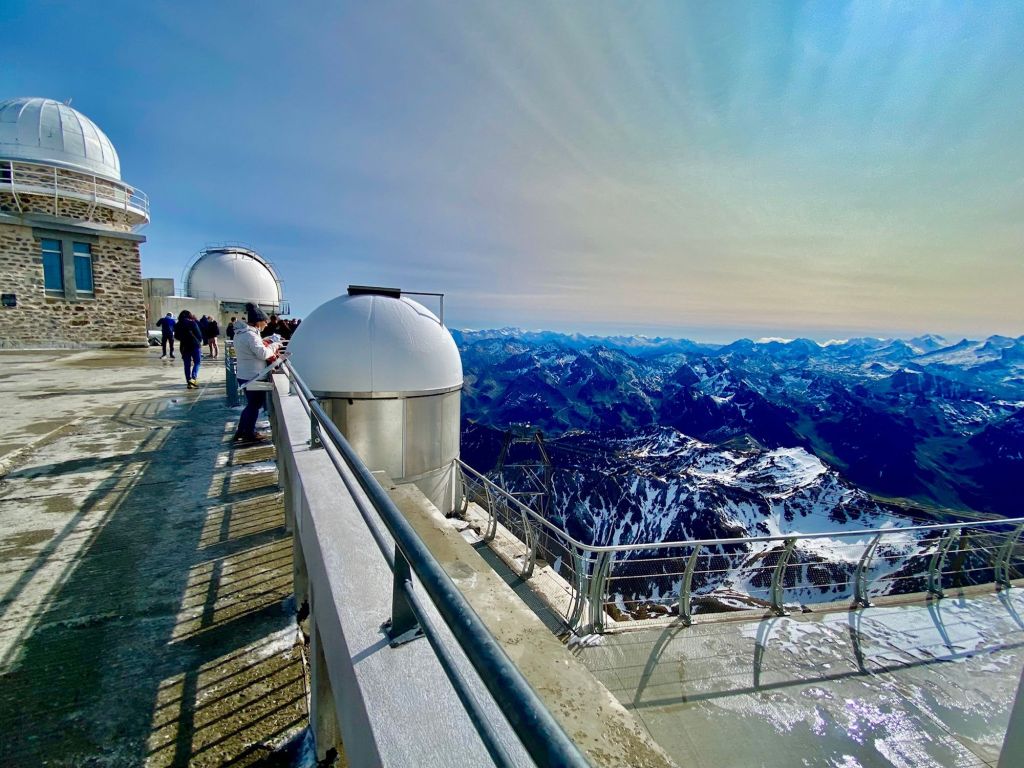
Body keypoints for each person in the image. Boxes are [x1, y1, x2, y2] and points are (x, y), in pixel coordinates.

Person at [233, 302, 282, 443]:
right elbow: (262, 354)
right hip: (254, 376)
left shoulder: (241, 334)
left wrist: (264, 340)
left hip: (245, 374)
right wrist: (274, 345)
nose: (266, 324)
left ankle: (241, 430)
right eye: (265, 322)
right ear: (259, 322)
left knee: (251, 405)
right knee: (255, 405)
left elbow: (252, 349)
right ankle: (249, 433)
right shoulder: (251, 335)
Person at [174, 310, 203, 389]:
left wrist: (183, 339)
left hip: (184, 346)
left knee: (187, 364)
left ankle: (188, 380)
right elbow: (199, 335)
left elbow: (176, 336)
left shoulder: (177, 325)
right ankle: (193, 378)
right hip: (194, 345)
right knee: (197, 362)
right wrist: (198, 341)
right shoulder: (192, 323)